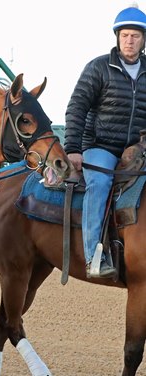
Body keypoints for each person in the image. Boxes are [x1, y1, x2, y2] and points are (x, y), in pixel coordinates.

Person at [64, 3, 146, 278]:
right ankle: (94, 257)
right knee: (99, 183)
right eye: (125, 35)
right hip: (100, 145)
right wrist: (74, 149)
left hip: (138, 148)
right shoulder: (99, 67)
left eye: (135, 35)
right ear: (117, 37)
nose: (129, 40)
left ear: (143, 40)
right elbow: (77, 106)